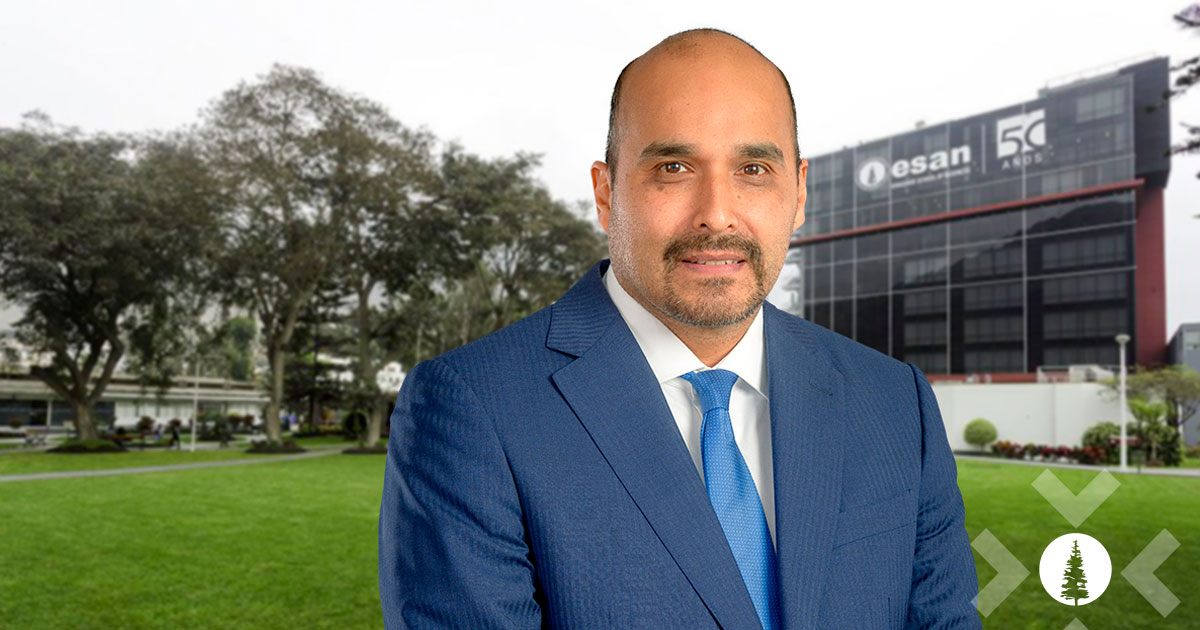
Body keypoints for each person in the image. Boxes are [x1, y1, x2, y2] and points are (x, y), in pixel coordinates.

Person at [379, 28, 981, 629]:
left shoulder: (895, 402)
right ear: (606, 193)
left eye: (753, 168)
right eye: (673, 167)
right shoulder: (473, 409)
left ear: (798, 192)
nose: (716, 215)